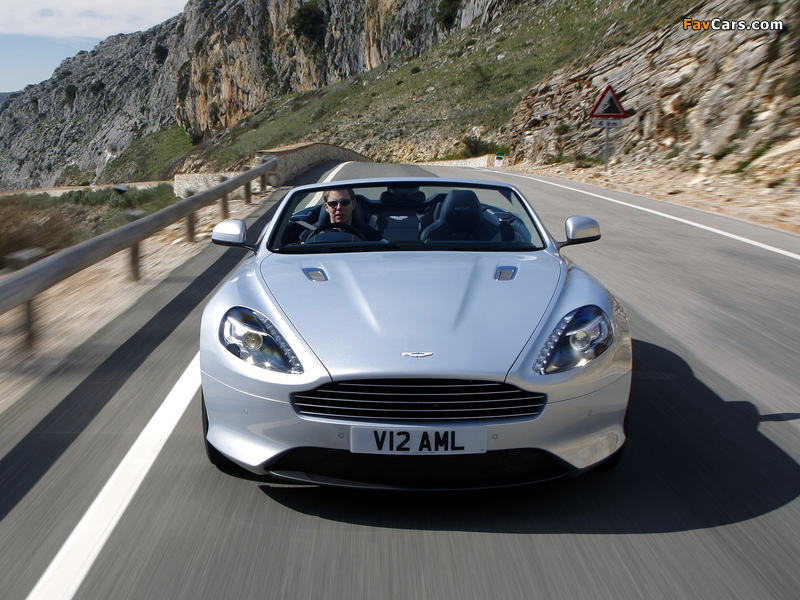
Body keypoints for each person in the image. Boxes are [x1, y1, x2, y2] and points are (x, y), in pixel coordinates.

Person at [301, 188, 382, 242]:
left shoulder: (370, 236)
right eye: (333, 203)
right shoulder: (310, 236)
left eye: (345, 202)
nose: (339, 207)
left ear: (353, 204)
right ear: (326, 207)